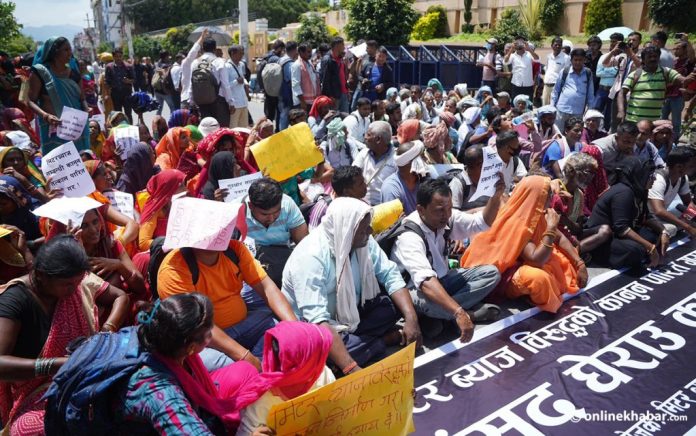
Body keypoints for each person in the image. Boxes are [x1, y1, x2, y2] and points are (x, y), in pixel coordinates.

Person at [0, 235, 128, 435]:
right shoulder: (14, 301)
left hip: (84, 376)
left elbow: (120, 297)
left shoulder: (77, 280)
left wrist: (105, 331)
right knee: (28, 428)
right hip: (37, 391)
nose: (75, 289)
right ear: (41, 275)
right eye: (67, 284)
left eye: (77, 282)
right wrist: (59, 365)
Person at [282, 197, 422, 370]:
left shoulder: (363, 240)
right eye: (364, 229)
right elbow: (318, 320)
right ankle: (379, 342)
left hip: (353, 314)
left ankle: (359, 346)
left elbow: (390, 274)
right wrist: (352, 369)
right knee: (326, 351)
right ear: (347, 229)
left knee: (394, 306)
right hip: (320, 327)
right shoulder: (310, 257)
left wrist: (411, 318)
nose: (371, 231)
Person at [117, 294, 271, 434]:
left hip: (190, 399)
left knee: (245, 370)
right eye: (209, 332)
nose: (212, 335)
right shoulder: (160, 394)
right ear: (191, 348)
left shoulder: (160, 335)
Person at [156, 216, 298, 364]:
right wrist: (245, 357)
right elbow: (196, 325)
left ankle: (261, 363)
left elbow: (267, 288)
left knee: (283, 329)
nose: (213, 235)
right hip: (204, 342)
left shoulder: (235, 250)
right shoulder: (174, 269)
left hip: (244, 326)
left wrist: (297, 329)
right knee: (234, 368)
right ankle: (256, 365)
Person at [392, 178, 504, 339]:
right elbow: (426, 282)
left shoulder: (447, 217)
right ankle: (467, 315)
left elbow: (481, 222)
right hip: (416, 290)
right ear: (421, 210)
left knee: (491, 273)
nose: (446, 215)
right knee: (428, 302)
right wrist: (459, 313)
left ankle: (442, 317)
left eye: (449, 208)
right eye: (439, 210)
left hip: (443, 280)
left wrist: (496, 196)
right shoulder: (409, 236)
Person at [462, 176, 587, 313]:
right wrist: (551, 228)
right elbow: (536, 260)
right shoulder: (519, 221)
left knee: (566, 261)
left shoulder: (536, 213)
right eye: (548, 194)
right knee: (540, 279)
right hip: (504, 272)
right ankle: (526, 294)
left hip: (529, 259)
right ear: (536, 197)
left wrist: (579, 263)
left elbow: (560, 238)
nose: (552, 197)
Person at [237, 321, 334, 435]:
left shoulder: (324, 373)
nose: (322, 358)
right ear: (305, 363)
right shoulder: (262, 397)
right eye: (319, 354)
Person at [583, 156, 669, 269]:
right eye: (650, 176)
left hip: (619, 234)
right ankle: (594, 257)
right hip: (603, 239)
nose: (654, 179)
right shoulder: (623, 192)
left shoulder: (641, 190)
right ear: (640, 175)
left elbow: (646, 216)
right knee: (636, 250)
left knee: (655, 236)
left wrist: (663, 231)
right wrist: (650, 247)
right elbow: (621, 228)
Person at [27, 37, 90, 153]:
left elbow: (82, 99)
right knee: (59, 160)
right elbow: (30, 101)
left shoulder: (74, 73)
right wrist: (46, 116)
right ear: (54, 52)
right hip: (53, 128)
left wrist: (86, 108)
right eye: (66, 50)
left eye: (70, 49)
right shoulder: (40, 73)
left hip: (75, 126)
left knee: (79, 159)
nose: (70, 53)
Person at [618, 46, 692, 124]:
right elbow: (621, 93)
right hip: (633, 120)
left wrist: (689, 78)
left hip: (655, 123)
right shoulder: (635, 75)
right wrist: (621, 111)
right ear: (643, 60)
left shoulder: (666, 72)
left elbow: (683, 80)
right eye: (649, 57)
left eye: (655, 56)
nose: (653, 59)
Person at [647, 147, 696, 237]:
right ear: (679, 167)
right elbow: (659, 211)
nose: (694, 168)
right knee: (671, 229)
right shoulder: (658, 179)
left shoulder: (682, 178)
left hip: (664, 213)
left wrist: (688, 218)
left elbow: (688, 202)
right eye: (692, 166)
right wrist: (687, 227)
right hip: (648, 218)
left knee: (691, 217)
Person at [245, 177, 308, 247]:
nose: (271, 219)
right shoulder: (238, 212)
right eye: (265, 214)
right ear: (250, 206)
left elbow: (304, 245)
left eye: (276, 212)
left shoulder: (287, 205)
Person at [552, 152, 598, 244]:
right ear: (572, 171)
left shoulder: (579, 195)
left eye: (593, 174)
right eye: (588, 173)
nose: (590, 178)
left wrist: (565, 219)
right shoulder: (553, 188)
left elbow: (578, 229)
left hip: (568, 237)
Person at [138, 169, 186, 252]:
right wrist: (172, 244)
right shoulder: (154, 210)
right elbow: (143, 243)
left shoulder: (173, 203)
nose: (185, 188)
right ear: (169, 188)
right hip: (159, 253)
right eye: (181, 185)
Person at [191, 37, 234, 127]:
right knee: (220, 129)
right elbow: (225, 84)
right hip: (218, 101)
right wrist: (230, 102)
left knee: (206, 129)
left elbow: (192, 84)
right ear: (215, 49)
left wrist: (191, 101)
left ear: (202, 49)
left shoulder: (195, 62)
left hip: (201, 101)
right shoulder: (219, 62)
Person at [308, 165, 367, 230]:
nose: (365, 185)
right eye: (361, 184)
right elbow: (312, 233)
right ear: (346, 191)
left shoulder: (361, 204)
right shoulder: (323, 207)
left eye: (363, 181)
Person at [353, 120, 398, 205]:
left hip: (385, 206)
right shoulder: (364, 153)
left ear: (378, 139)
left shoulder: (396, 158)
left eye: (368, 134)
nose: (365, 137)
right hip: (363, 204)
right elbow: (353, 174)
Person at [552, 48, 594, 131]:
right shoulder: (565, 71)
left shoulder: (588, 73)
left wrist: (590, 110)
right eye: (575, 60)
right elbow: (556, 90)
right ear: (571, 60)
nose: (577, 62)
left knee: (574, 134)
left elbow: (590, 93)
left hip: (578, 112)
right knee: (558, 133)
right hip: (562, 109)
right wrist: (552, 107)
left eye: (580, 60)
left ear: (584, 60)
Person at [381, 140, 426, 214]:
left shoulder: (423, 179)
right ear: (413, 163)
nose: (426, 159)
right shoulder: (391, 188)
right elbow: (395, 220)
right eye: (422, 156)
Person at [663, 37, 695, 140]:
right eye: (674, 48)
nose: (675, 50)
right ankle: (661, 141)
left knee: (676, 122)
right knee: (662, 120)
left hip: (678, 96)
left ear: (685, 50)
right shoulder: (674, 62)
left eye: (678, 48)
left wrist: (687, 41)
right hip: (667, 94)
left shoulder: (688, 62)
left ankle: (674, 142)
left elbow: (692, 55)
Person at [0, 176, 41, 245]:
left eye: (4, 204)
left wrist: (30, 244)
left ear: (16, 199)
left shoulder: (35, 210)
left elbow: (52, 235)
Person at [594, 33, 624, 127]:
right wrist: (614, 70)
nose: (612, 44)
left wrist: (606, 70)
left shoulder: (624, 58)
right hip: (602, 90)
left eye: (615, 42)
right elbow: (598, 73)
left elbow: (621, 74)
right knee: (595, 113)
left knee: (609, 117)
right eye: (611, 41)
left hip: (614, 92)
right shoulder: (604, 57)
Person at [451, 144, 487, 210]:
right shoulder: (458, 184)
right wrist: (483, 210)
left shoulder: (491, 179)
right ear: (480, 165)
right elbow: (452, 214)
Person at [104, 49, 135, 125]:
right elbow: (106, 82)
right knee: (117, 114)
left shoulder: (128, 66)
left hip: (127, 94)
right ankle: (120, 129)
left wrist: (128, 81)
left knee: (128, 113)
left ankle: (130, 128)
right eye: (116, 56)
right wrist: (107, 94)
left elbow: (134, 80)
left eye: (120, 56)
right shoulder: (109, 67)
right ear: (113, 57)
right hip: (115, 94)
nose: (118, 58)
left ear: (122, 56)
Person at [320, 37, 350, 113]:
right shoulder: (327, 59)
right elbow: (325, 80)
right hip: (334, 96)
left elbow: (343, 77)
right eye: (343, 45)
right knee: (333, 117)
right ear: (337, 46)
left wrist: (347, 90)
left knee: (345, 117)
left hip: (343, 93)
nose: (344, 47)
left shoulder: (340, 58)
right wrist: (330, 96)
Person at [291, 42, 320, 111]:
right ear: (301, 52)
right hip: (302, 102)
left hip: (312, 101)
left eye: (311, 52)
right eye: (308, 52)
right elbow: (295, 85)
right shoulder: (297, 65)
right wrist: (302, 102)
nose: (310, 54)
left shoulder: (309, 63)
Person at [277, 41, 298, 131]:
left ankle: (281, 133)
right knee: (285, 117)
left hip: (279, 91)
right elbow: (293, 79)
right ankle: (283, 135)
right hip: (287, 94)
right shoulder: (290, 63)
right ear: (295, 50)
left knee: (282, 115)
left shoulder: (280, 59)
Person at [542, 37, 570, 106]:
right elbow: (547, 69)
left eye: (559, 45)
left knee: (554, 106)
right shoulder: (548, 56)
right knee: (544, 106)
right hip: (546, 85)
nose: (557, 46)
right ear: (552, 46)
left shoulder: (566, 58)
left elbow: (567, 73)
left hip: (557, 86)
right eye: (556, 45)